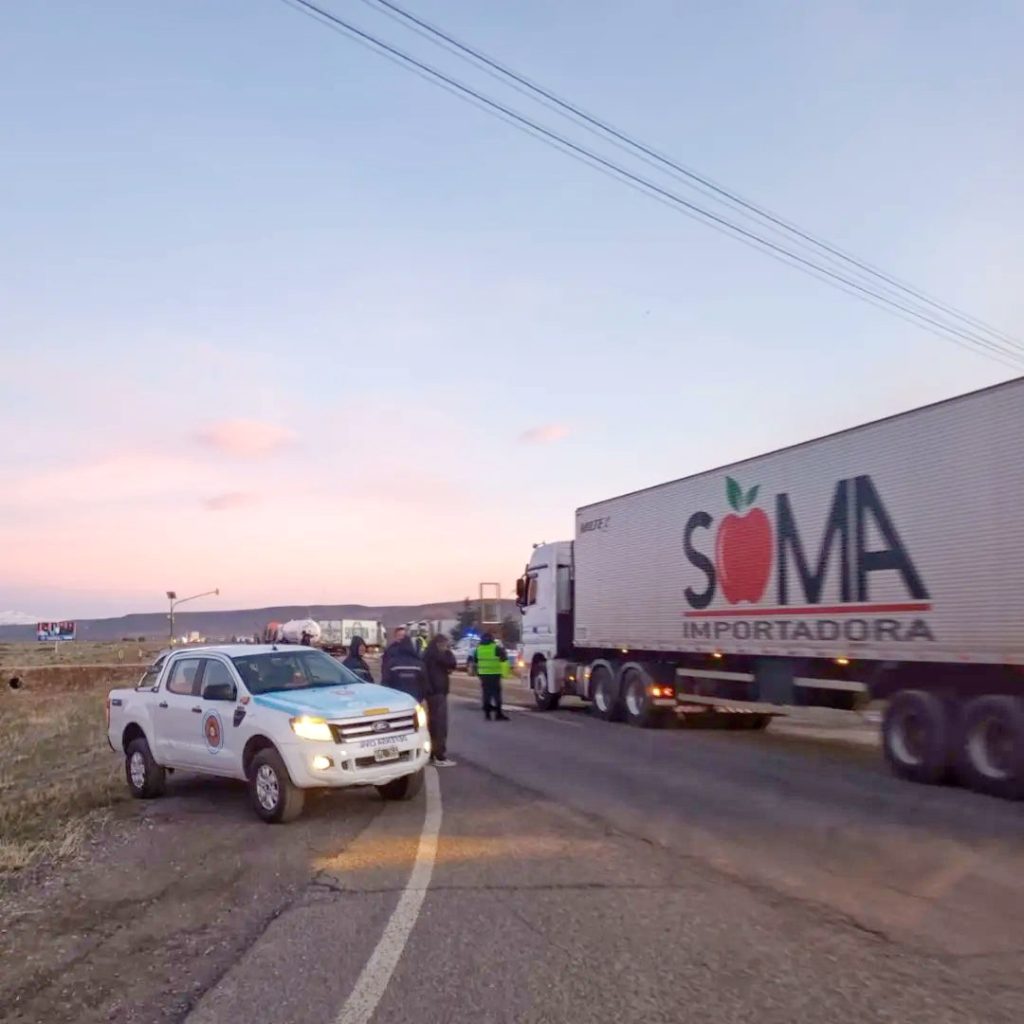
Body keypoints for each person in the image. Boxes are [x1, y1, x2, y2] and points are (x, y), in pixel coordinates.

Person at [423, 635, 457, 766]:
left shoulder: (427, 655)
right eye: (445, 645)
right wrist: (448, 651)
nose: (446, 647)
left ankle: (431, 753)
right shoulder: (439, 655)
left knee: (432, 725)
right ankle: (439, 755)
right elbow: (452, 663)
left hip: (431, 693)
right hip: (438, 692)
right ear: (439, 644)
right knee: (440, 726)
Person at [380, 635, 427, 701]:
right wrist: (421, 698)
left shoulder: (392, 663)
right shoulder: (419, 664)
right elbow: (425, 684)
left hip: (397, 701)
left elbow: (385, 682)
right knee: (420, 711)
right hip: (415, 700)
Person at [475, 632, 509, 721]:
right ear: (491, 639)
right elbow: (504, 658)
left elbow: (475, 661)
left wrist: (478, 672)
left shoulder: (478, 649)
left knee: (486, 695)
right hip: (495, 674)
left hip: (483, 675)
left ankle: (487, 715)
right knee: (496, 695)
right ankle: (498, 714)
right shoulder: (496, 648)